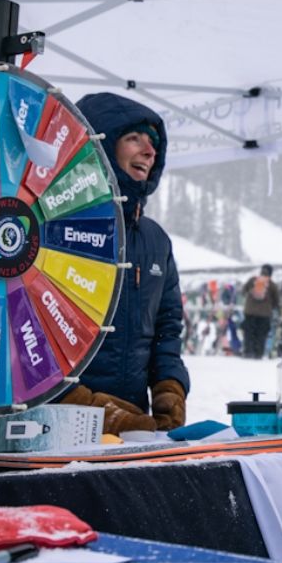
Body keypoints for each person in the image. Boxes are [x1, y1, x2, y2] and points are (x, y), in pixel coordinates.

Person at [59, 93, 189, 436]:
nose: (149, 151)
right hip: (58, 425)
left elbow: (167, 326)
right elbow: (25, 332)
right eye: (134, 139)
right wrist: (81, 405)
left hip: (135, 428)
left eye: (153, 144)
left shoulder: (155, 240)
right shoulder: (54, 227)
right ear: (99, 144)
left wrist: (170, 388)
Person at [241, 264, 280, 359]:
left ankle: (248, 352)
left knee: (249, 333)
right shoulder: (272, 285)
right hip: (265, 314)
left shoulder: (253, 280)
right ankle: (258, 353)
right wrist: (271, 307)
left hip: (249, 312)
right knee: (261, 334)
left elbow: (243, 291)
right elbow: (276, 300)